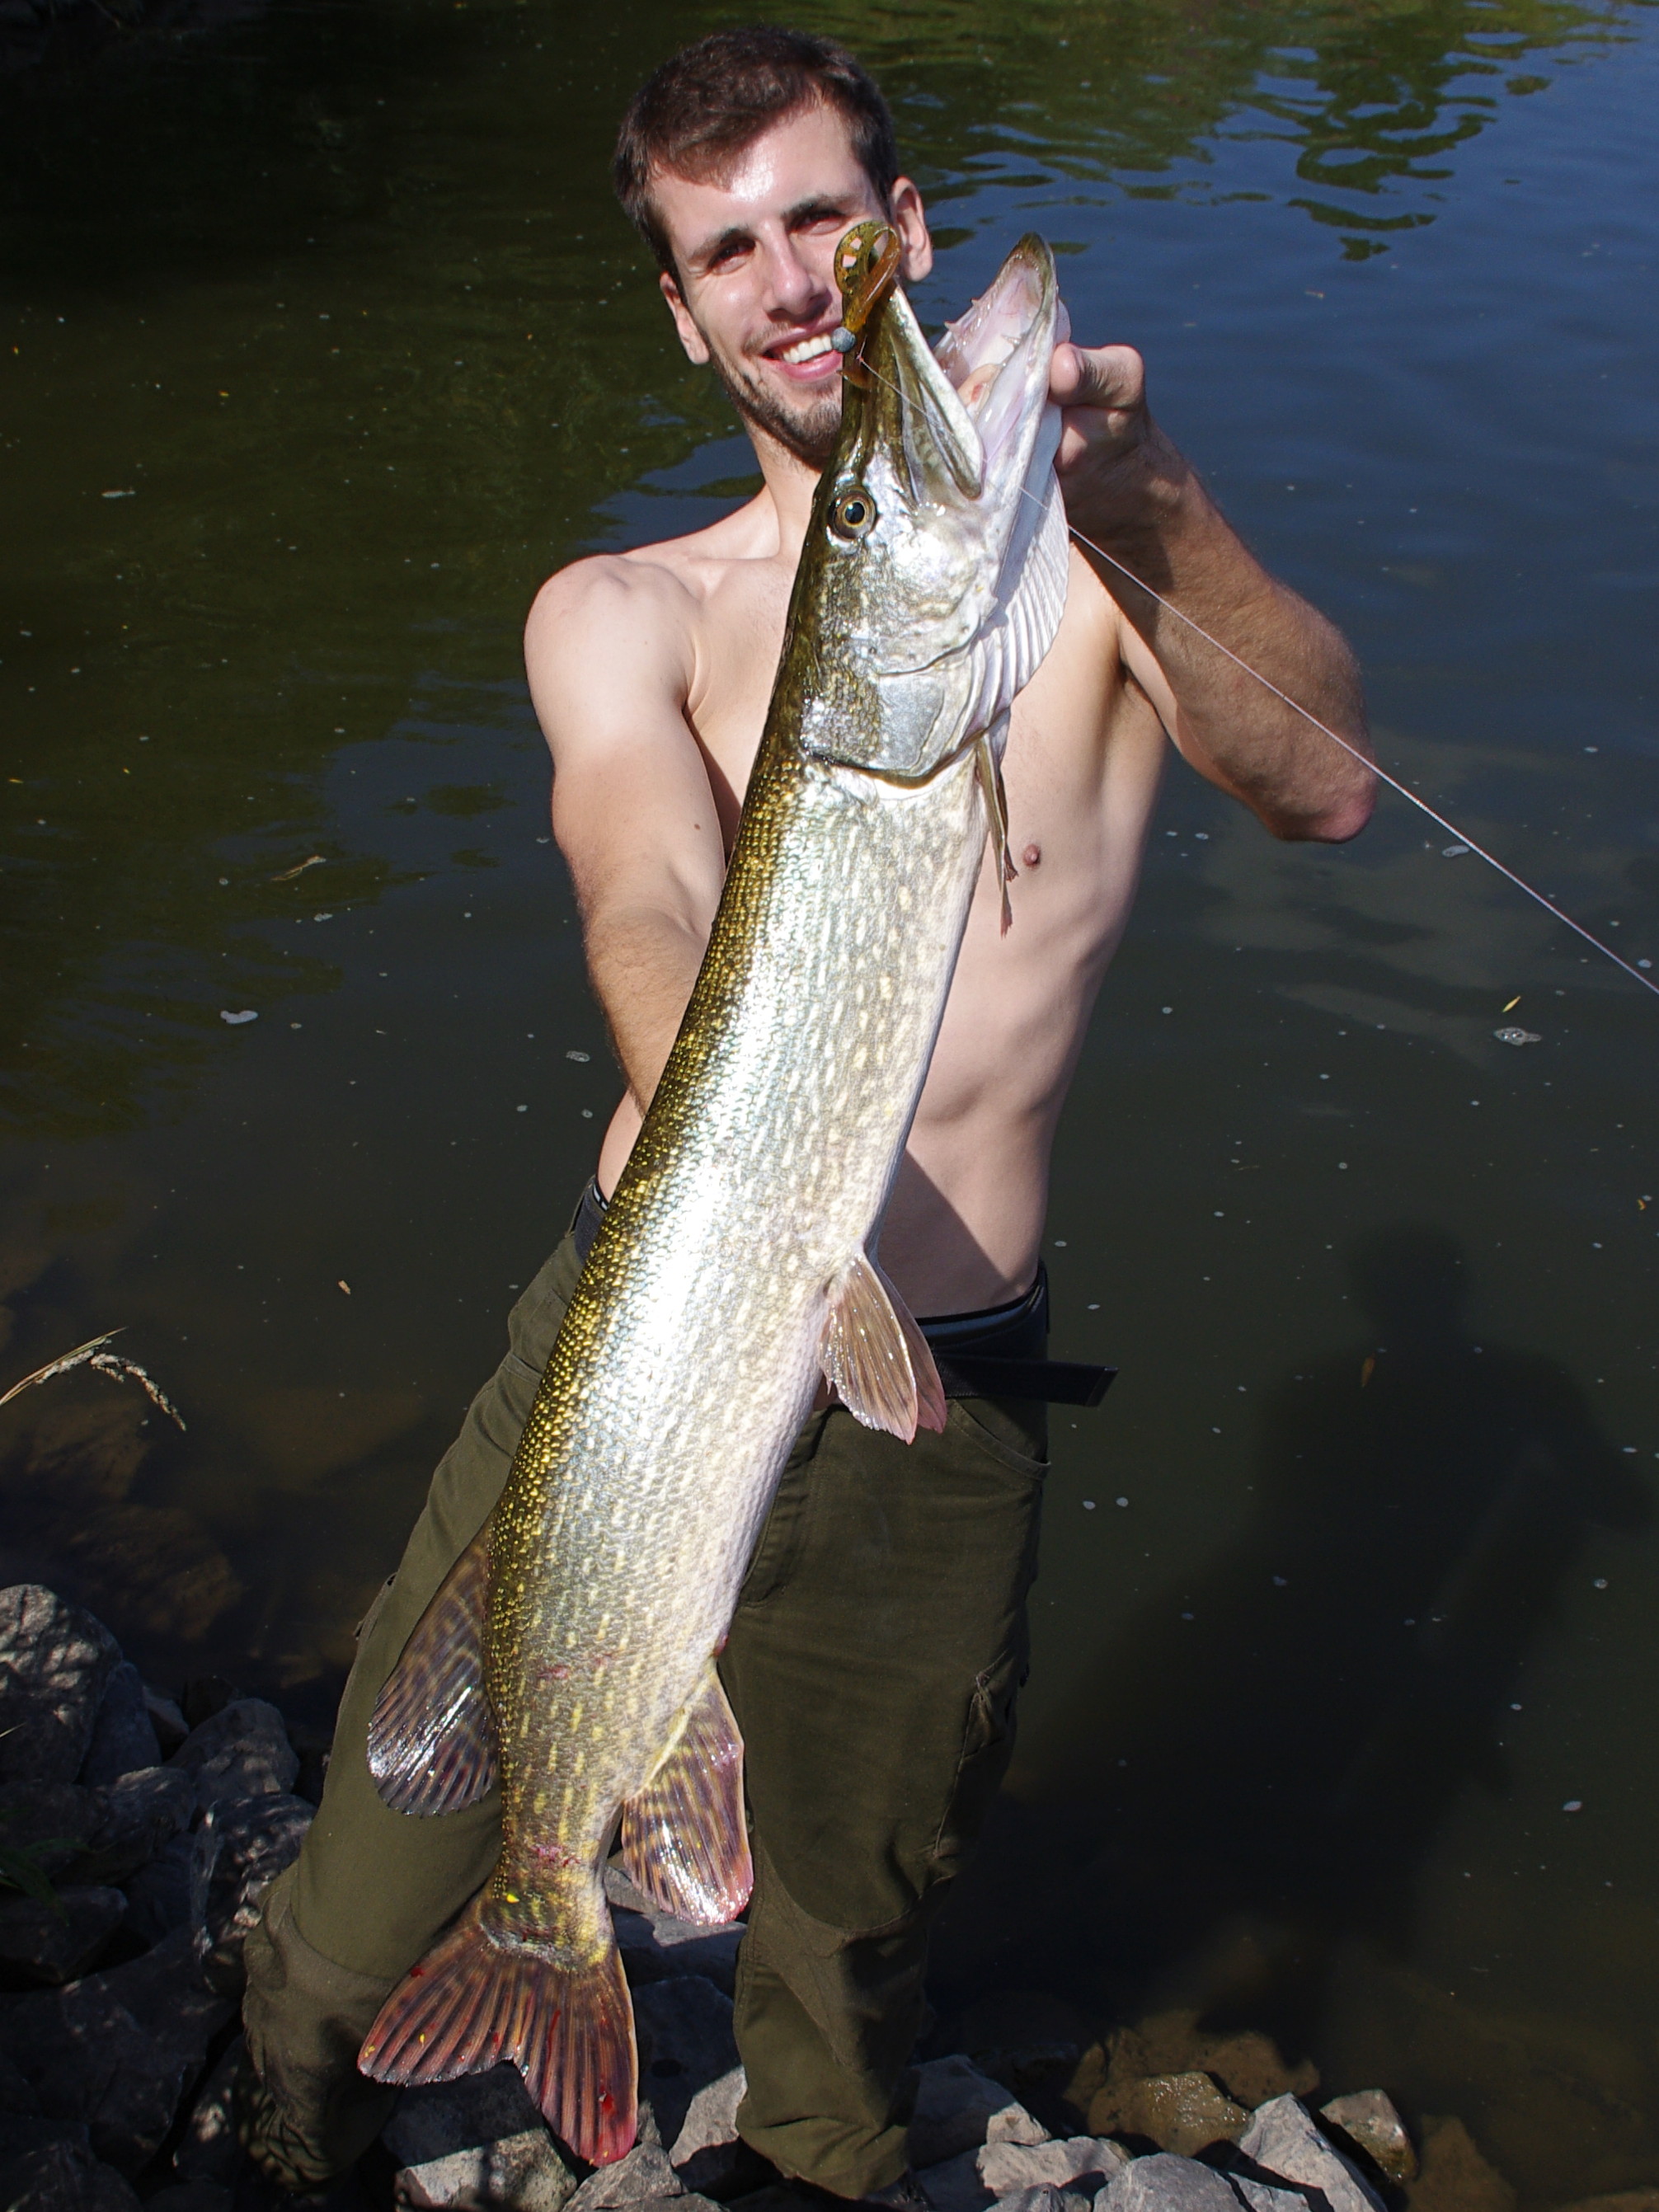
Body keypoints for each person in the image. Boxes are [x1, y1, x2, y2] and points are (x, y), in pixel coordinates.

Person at [237, 25, 1373, 2207]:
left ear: (899, 234)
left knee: (845, 1968)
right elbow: (646, 885)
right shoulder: (624, 612)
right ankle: (272, 2130)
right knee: (364, 1905)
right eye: (722, 247)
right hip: (650, 1339)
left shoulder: (1083, 578)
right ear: (677, 309)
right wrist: (738, 1120)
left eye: (817, 221)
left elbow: (1320, 781)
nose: (779, 278)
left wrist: (1147, 503)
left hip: (938, 1385)